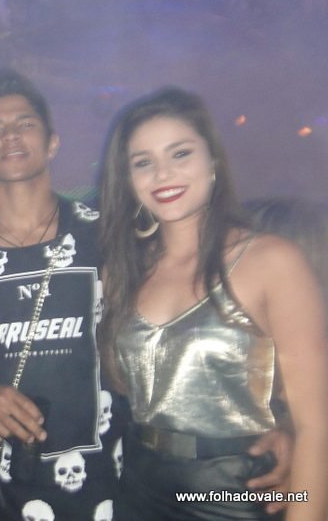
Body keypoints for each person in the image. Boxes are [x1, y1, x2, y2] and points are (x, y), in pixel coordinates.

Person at [98, 87, 328, 519]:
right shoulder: (122, 273)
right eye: (143, 162)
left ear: (213, 161)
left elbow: (317, 425)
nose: (163, 173)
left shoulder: (272, 261)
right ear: (127, 179)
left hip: (235, 489)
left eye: (180, 153)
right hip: (139, 482)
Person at [0, 69, 127, 519]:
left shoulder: (103, 236)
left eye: (25, 123)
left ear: (52, 143)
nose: (10, 134)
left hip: (102, 479)